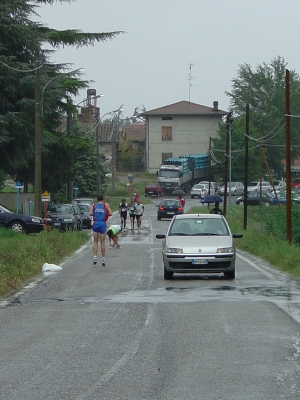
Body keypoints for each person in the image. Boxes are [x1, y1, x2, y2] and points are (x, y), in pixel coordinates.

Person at [89, 194, 112, 266]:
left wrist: (95, 213)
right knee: (102, 242)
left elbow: (90, 213)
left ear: (97, 199)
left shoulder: (94, 205)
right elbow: (110, 213)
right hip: (102, 223)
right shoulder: (106, 205)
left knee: (95, 241)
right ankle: (103, 259)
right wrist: (105, 214)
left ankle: (95, 257)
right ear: (103, 198)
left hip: (96, 223)